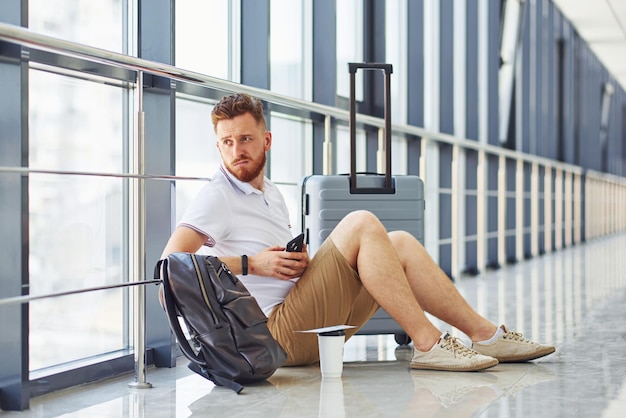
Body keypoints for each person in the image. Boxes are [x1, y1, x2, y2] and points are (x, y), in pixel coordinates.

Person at [160, 92, 555, 371]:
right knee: (362, 222)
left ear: (266, 140)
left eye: (244, 139)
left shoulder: (271, 192)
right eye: (226, 142)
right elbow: (169, 267)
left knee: (398, 242)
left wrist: (297, 264)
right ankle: (429, 344)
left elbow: (274, 266)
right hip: (271, 336)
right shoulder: (217, 196)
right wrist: (252, 264)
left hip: (302, 319)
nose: (235, 151)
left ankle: (486, 336)